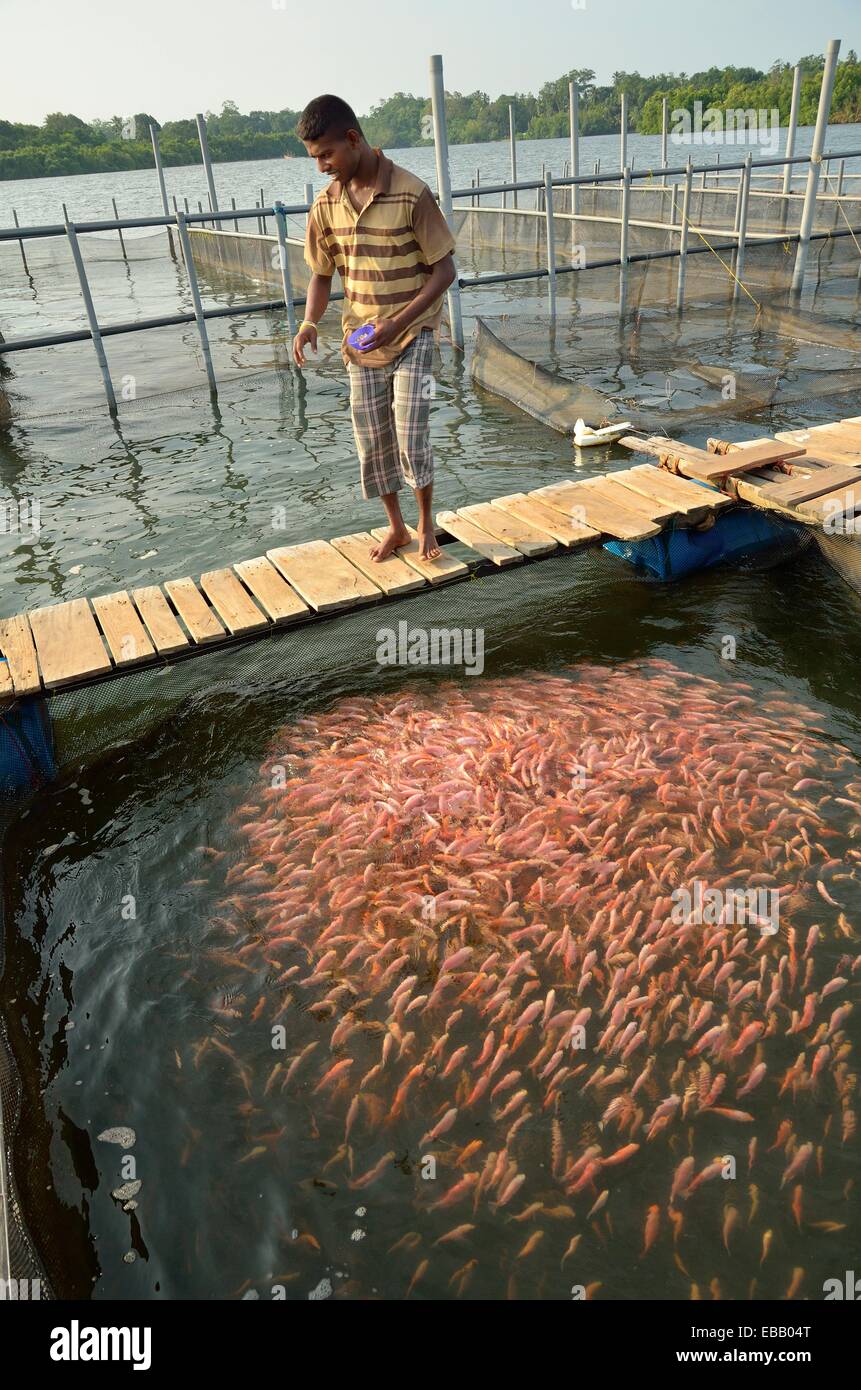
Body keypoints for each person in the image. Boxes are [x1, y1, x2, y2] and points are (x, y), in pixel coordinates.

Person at [292, 95, 457, 562]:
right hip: (360, 340)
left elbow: (444, 271)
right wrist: (308, 322)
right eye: (314, 158)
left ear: (353, 139)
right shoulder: (325, 206)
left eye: (327, 154)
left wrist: (397, 323)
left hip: (414, 331)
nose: (322, 166)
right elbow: (321, 275)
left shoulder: (411, 192)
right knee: (372, 440)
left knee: (410, 432)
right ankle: (397, 527)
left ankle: (425, 522)